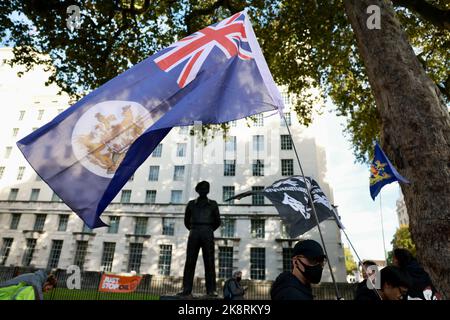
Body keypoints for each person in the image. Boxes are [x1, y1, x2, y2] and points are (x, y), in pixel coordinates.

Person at [177, 181, 221, 298]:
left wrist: (208, 229)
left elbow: (217, 221)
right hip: (194, 231)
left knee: (209, 262)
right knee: (190, 261)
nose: (204, 190)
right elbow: (186, 221)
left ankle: (211, 290)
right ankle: (186, 289)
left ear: (208, 190)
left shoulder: (213, 204)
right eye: (201, 188)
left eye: (206, 188)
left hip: (207, 231)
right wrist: (194, 228)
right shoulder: (191, 204)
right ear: (197, 190)